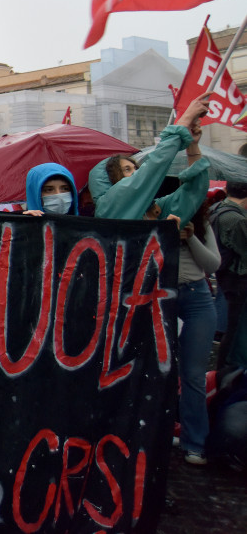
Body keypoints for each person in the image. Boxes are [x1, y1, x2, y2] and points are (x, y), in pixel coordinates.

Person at [87, 94, 211, 225]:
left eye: (136, 168)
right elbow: (152, 168)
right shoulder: (107, 207)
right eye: (127, 170)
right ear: (111, 179)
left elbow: (194, 193)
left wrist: (192, 146)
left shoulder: (154, 211)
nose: (136, 172)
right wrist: (183, 122)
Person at [174, 201, 221, 465]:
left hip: (197, 297)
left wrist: (191, 238)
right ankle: (165, 429)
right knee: (159, 371)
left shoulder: (200, 223)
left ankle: (195, 442)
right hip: (162, 296)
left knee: (193, 374)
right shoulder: (147, 217)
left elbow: (212, 264)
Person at [212, 182, 247, 377]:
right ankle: (227, 372)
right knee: (235, 329)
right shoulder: (236, 219)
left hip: (226, 275)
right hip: (238, 277)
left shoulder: (217, 209)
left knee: (232, 327)